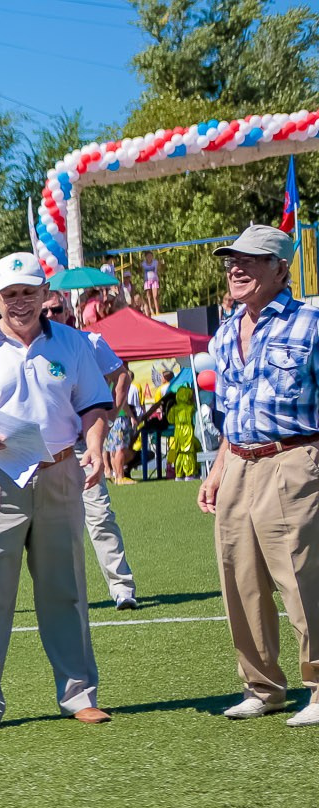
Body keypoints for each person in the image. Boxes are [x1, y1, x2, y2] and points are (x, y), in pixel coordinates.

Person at [0, 251, 114, 735]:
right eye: (10, 295)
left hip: (59, 475)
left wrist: (94, 444)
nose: (20, 303)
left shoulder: (74, 344)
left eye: (29, 293)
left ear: (44, 294)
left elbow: (96, 405)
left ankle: (79, 694)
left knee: (67, 589)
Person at [199, 223, 319, 727]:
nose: (236, 268)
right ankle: (263, 685)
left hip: (292, 458)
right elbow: (229, 411)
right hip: (239, 464)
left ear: (280, 269)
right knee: (239, 577)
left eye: (249, 260)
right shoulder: (226, 332)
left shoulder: (311, 323)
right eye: (231, 260)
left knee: (301, 578)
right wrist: (218, 467)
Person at [40, 290, 140, 611]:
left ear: (68, 309)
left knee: (99, 516)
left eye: (56, 309)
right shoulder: (36, 348)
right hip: (48, 447)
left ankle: (122, 587)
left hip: (84, 445)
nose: (51, 315)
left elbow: (121, 374)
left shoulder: (89, 341)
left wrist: (110, 414)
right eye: (46, 311)